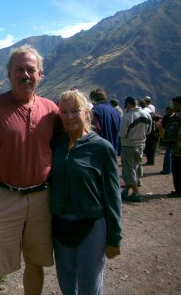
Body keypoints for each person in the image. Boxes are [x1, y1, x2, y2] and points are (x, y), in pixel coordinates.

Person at [0, 45, 60, 295]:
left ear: (40, 74)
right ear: (8, 74)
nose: (25, 75)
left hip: (41, 199)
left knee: (36, 263)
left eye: (31, 70)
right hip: (3, 198)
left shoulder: (51, 110)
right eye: (19, 69)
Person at [49, 89, 122, 295]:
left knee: (90, 288)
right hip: (60, 227)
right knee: (66, 285)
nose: (70, 117)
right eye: (64, 112)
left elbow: (113, 195)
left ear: (87, 113)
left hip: (91, 226)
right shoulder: (56, 145)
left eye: (75, 111)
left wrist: (114, 237)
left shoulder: (101, 148)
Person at [119, 97, 153, 202]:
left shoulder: (128, 116)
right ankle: (126, 191)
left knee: (129, 169)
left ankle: (136, 193)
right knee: (136, 167)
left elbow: (122, 133)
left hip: (129, 145)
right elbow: (149, 131)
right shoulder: (147, 115)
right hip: (141, 144)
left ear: (129, 104)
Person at [89, 88, 121, 154]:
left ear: (93, 98)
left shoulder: (95, 111)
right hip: (113, 150)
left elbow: (93, 131)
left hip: (100, 151)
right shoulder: (115, 112)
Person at [159, 106, 175, 174]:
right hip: (175, 137)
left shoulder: (166, 117)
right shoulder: (175, 117)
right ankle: (171, 169)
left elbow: (163, 126)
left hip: (168, 136)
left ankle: (166, 170)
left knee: (168, 154)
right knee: (171, 153)